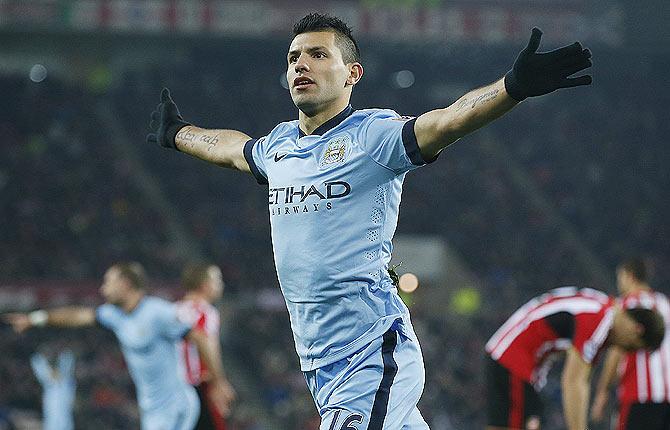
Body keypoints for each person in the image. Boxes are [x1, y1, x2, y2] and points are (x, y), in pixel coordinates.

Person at [147, 12, 593, 429]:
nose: (301, 64)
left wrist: (512, 87)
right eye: (293, 57)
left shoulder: (371, 135)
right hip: (320, 363)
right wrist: (177, 133)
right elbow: (229, 148)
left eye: (318, 54)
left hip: (372, 351)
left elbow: (445, 123)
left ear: (352, 74)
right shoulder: (279, 146)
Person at [3, 262, 231, 430]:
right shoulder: (115, 315)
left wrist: (219, 381)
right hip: (153, 407)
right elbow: (79, 315)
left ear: (125, 284)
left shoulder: (158, 313)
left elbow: (200, 337)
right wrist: (37, 319)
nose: (103, 289)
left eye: (108, 282)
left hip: (175, 404)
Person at [484, 286, 665, 430]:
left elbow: (581, 381)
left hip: (509, 356)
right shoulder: (600, 319)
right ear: (637, 330)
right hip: (515, 361)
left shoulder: (601, 309)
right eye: (633, 347)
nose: (626, 351)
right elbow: (574, 382)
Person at [591, 258, 670, 430]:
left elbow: (616, 351)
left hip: (636, 396)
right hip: (666, 397)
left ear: (629, 276)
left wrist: (602, 392)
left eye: (620, 277)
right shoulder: (665, 304)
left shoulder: (625, 307)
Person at [177, 262, 236, 429]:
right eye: (217, 280)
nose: (221, 285)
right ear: (205, 285)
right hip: (199, 385)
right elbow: (206, 343)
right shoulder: (205, 312)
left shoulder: (175, 310)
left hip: (173, 386)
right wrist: (219, 383)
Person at [30, 349, 76, 430]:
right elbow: (36, 361)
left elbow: (68, 360)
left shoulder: (67, 382)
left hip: (63, 420)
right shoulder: (48, 382)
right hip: (53, 419)